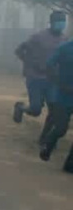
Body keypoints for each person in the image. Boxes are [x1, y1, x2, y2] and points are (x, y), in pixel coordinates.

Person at [13, 11, 67, 145]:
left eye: (63, 22)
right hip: (35, 77)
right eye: (59, 21)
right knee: (36, 109)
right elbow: (19, 50)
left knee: (54, 111)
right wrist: (29, 63)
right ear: (52, 22)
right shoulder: (38, 37)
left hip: (53, 80)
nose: (61, 24)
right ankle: (21, 107)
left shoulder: (65, 39)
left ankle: (45, 138)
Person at [39, 37, 73, 173]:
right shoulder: (65, 48)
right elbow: (49, 65)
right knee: (61, 128)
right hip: (64, 96)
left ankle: (70, 166)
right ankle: (48, 144)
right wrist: (58, 83)